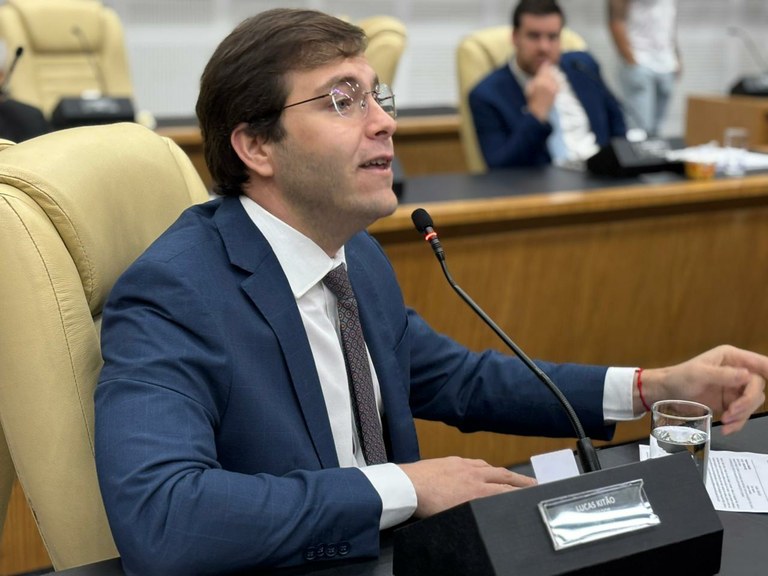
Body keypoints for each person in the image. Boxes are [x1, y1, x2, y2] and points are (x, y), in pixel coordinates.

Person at [94, 8, 766, 575]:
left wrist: (651, 386)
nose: (384, 122)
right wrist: (405, 486)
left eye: (376, 96)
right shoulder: (174, 293)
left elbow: (459, 380)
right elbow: (162, 517)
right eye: (342, 100)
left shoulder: (355, 255)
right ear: (256, 147)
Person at [469, 0, 626, 169]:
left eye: (552, 37)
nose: (544, 47)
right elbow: (499, 168)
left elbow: (617, 124)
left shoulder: (582, 66)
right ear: (515, 37)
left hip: (600, 174)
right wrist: (536, 114)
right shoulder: (487, 94)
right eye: (533, 36)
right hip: (544, 182)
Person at [608, 0, 680, 138]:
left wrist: (677, 56)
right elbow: (615, 18)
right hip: (640, 60)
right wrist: (631, 59)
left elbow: (669, 20)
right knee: (639, 130)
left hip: (667, 63)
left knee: (657, 131)